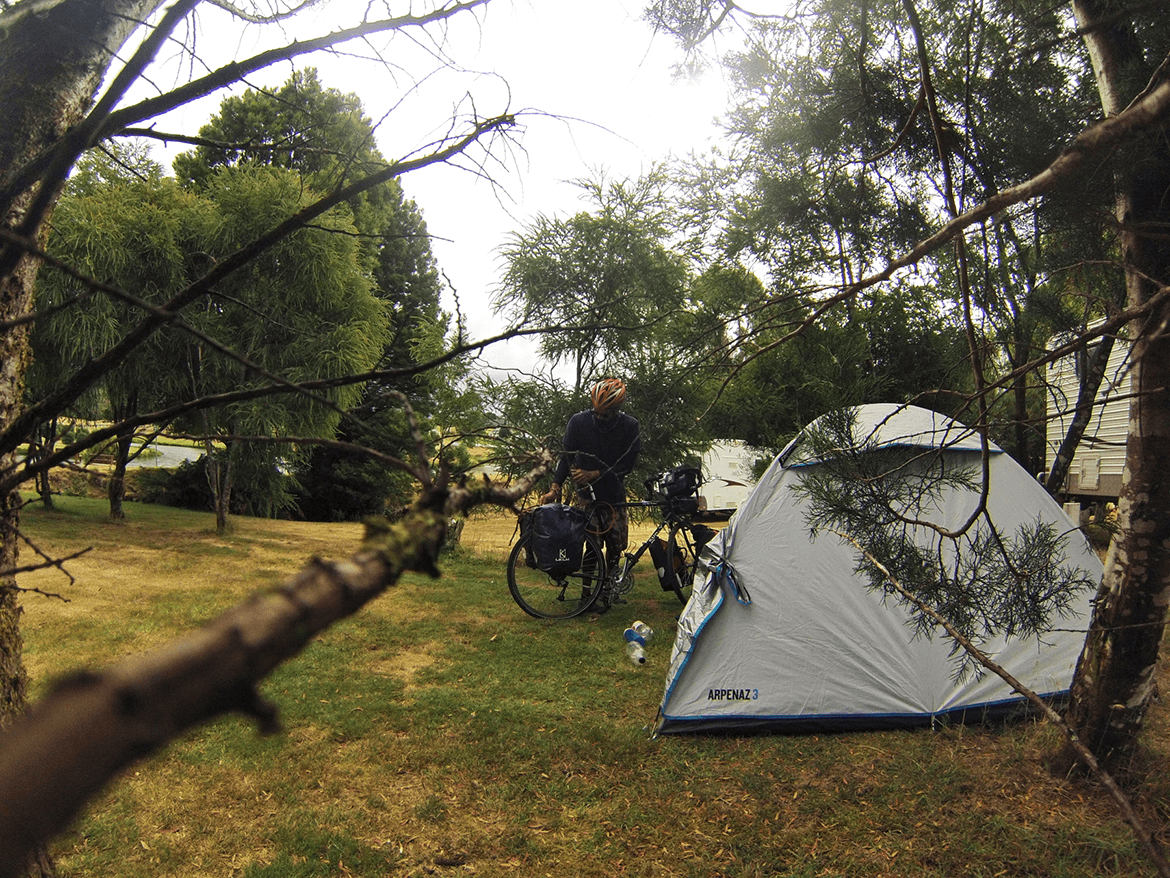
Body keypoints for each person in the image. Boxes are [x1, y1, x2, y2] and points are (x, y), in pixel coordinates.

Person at [541, 378, 641, 608]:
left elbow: (626, 465)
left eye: (604, 413)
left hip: (614, 495)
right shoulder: (578, 422)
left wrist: (594, 473)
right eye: (596, 412)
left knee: (616, 547)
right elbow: (566, 458)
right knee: (591, 547)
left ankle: (609, 590)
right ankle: (587, 595)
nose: (599, 417)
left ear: (616, 410)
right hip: (587, 496)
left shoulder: (629, 426)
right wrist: (555, 488)